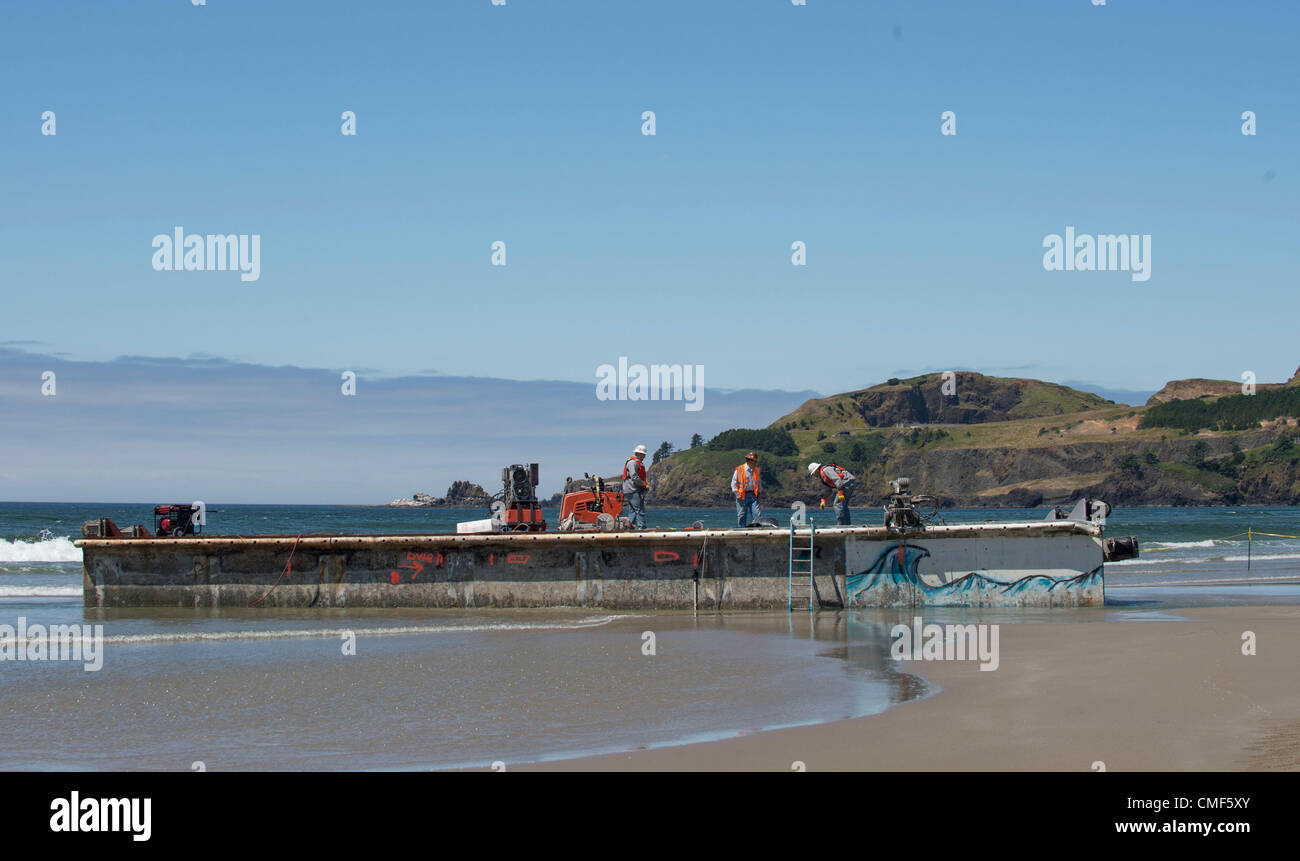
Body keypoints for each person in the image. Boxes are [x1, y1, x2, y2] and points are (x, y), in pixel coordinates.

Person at [731, 451, 762, 527]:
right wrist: (737, 494)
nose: (756, 463)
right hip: (742, 495)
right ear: (750, 461)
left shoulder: (756, 470)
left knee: (757, 514)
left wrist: (759, 491)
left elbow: (758, 482)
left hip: (753, 495)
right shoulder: (740, 469)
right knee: (742, 515)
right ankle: (741, 530)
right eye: (755, 461)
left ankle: (756, 529)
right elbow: (733, 483)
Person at [622, 444, 649, 529]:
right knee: (639, 510)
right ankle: (642, 528)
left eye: (644, 454)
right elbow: (634, 476)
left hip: (630, 489)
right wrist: (643, 484)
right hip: (632, 489)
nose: (644, 456)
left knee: (633, 511)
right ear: (638, 454)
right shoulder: (633, 463)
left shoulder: (635, 462)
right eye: (642, 454)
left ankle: (629, 527)